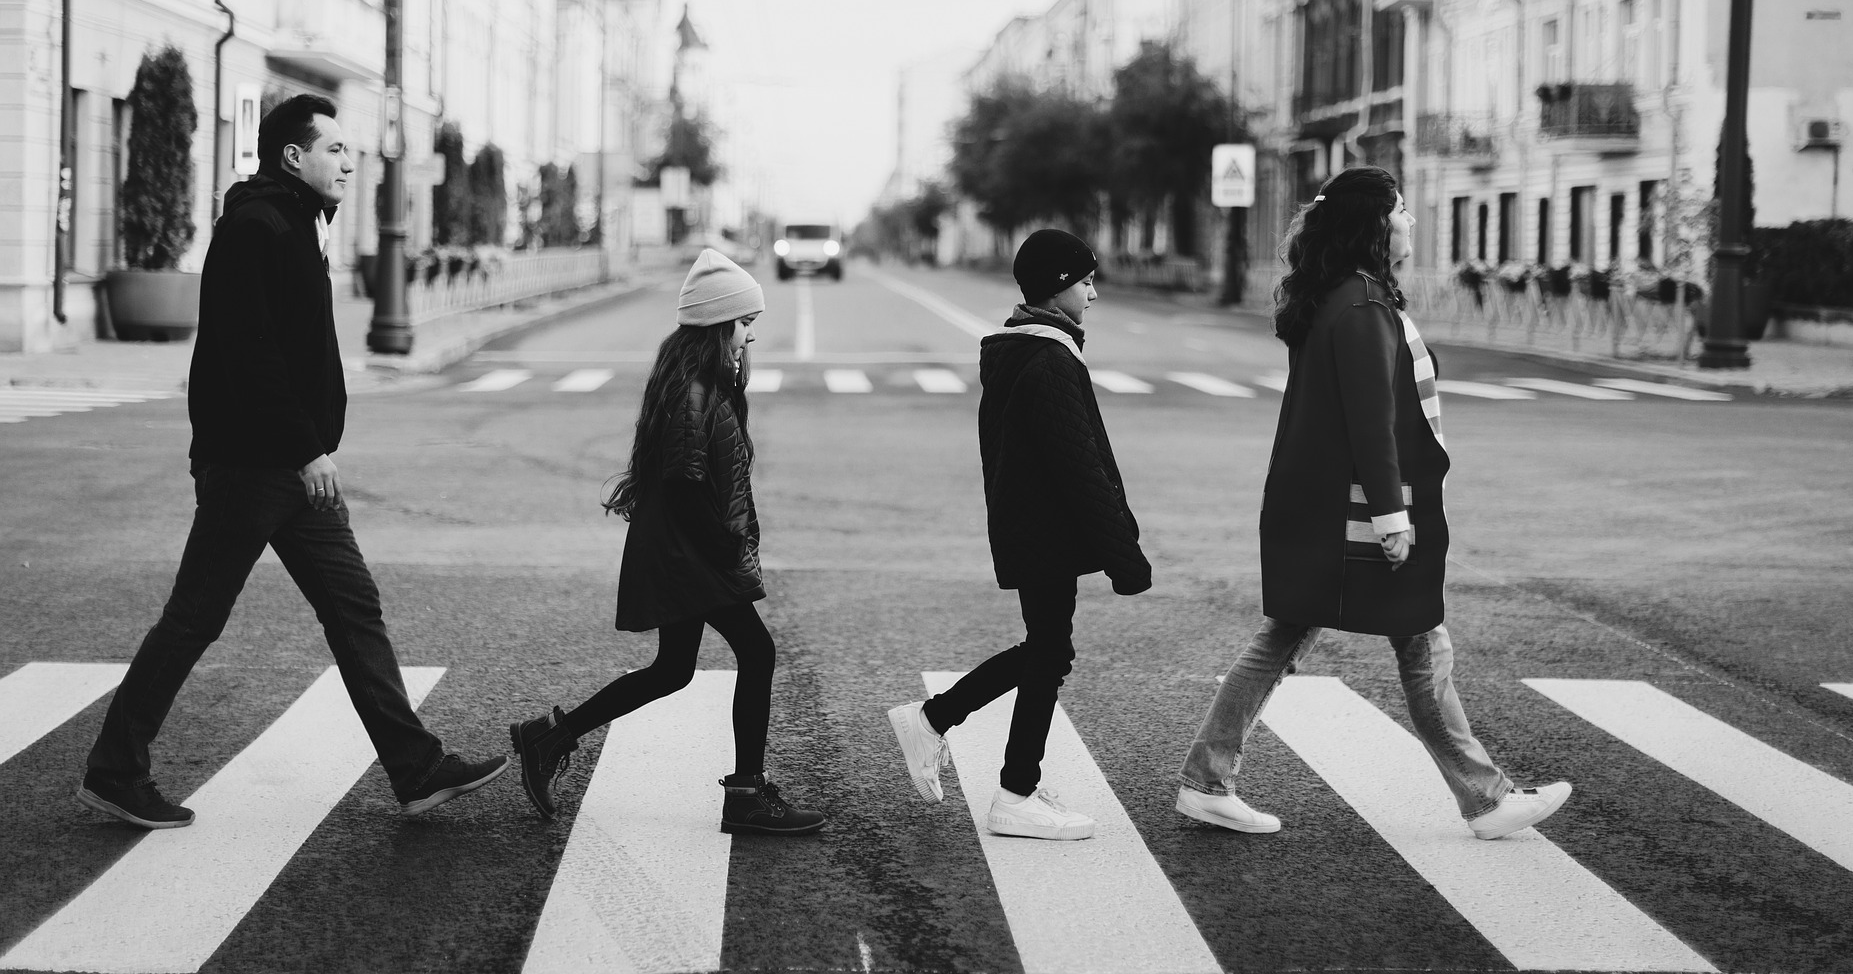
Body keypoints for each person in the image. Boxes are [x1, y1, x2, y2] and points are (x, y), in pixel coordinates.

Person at [81, 94, 506, 830]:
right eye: (334, 148)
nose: (348, 160)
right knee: (194, 619)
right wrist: (307, 447)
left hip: (286, 466)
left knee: (353, 607)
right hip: (255, 466)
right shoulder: (258, 226)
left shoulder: (289, 222)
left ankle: (416, 769)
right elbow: (250, 353)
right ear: (293, 158)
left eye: (349, 150)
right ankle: (115, 771)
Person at [1173, 165, 1571, 840]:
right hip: (1352, 515)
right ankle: (1488, 800)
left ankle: (1208, 780)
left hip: (1328, 506)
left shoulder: (1347, 296)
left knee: (1318, 638)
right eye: (1402, 212)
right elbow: (1371, 420)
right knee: (1416, 642)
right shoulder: (1360, 306)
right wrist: (1393, 517)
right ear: (1376, 227)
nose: (1411, 222)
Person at [509, 249, 824, 836]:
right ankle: (746, 795)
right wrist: (728, 551)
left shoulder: (698, 383)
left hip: (685, 551)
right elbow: (686, 484)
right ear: (717, 325)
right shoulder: (695, 392)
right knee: (757, 653)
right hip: (691, 555)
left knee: (672, 669)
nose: (749, 338)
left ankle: (550, 738)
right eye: (744, 325)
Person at [888, 228, 1153, 841]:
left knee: (1048, 650)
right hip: (1047, 531)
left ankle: (977, 756)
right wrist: (1124, 555)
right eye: (1086, 280)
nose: (1094, 291)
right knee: (1048, 653)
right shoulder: (1049, 361)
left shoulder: (1027, 350)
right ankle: (997, 778)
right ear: (1058, 286)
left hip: (1034, 526)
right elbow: (1082, 467)